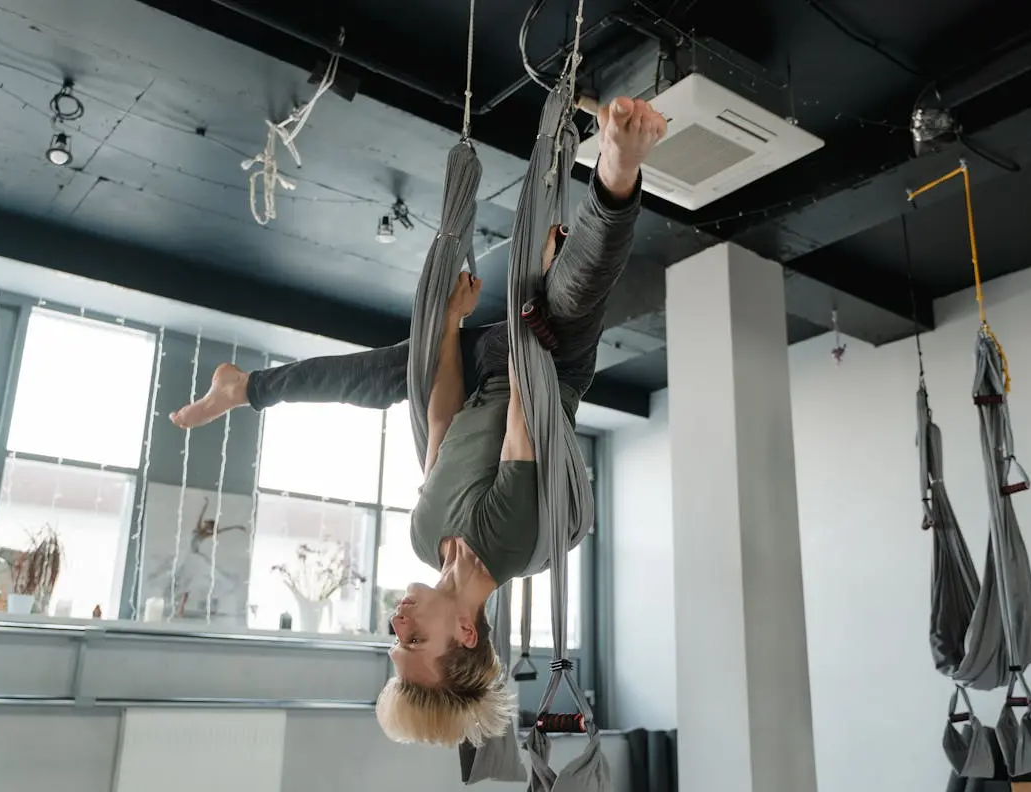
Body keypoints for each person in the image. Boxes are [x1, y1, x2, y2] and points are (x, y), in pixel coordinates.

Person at [170, 96, 666, 746]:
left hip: (484, 367)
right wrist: (537, 289)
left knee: (386, 378)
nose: (396, 625)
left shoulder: (423, 535)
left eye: (392, 643)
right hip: (542, 368)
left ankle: (246, 388)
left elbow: (440, 418)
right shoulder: (509, 545)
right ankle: (618, 169)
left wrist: (451, 323)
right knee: (575, 292)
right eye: (413, 640)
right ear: (465, 633)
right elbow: (526, 409)